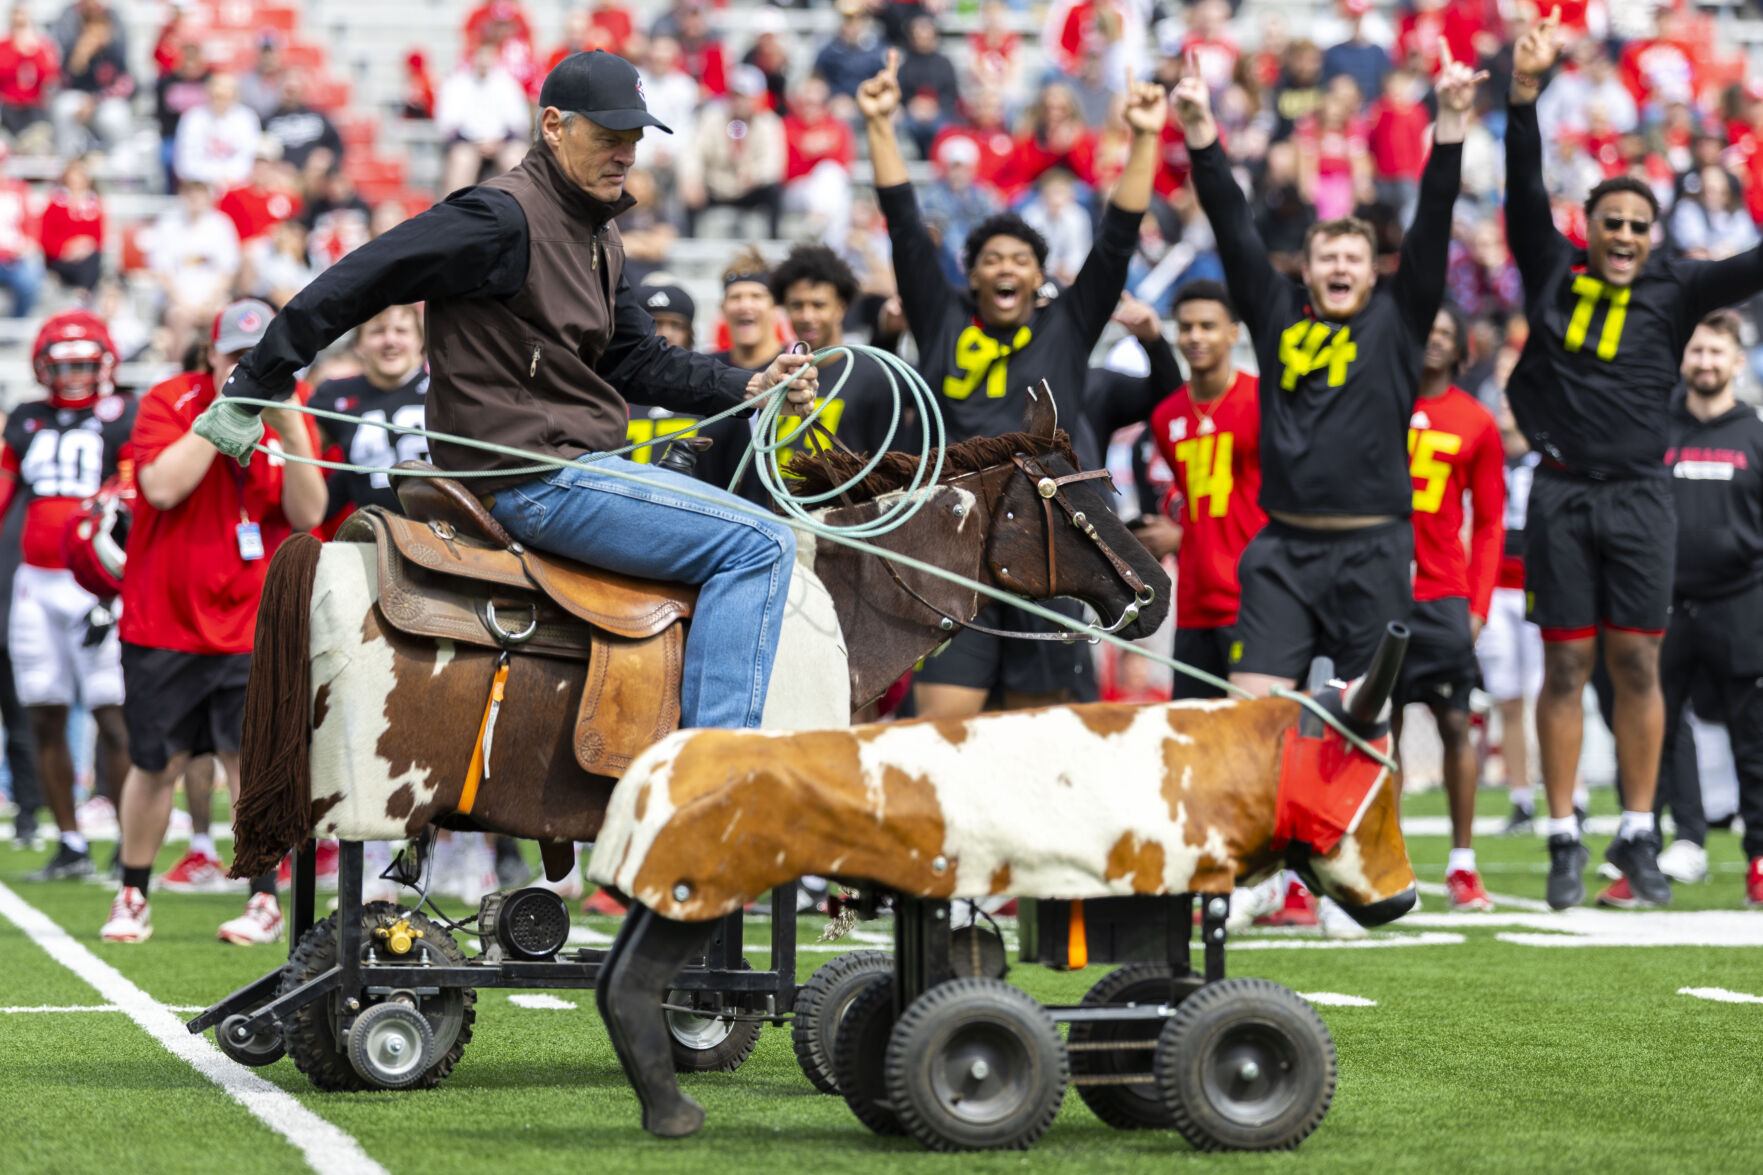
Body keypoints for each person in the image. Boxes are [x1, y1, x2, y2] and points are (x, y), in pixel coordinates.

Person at [195, 51, 817, 750]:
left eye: (635, 138)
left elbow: (634, 359)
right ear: (553, 125)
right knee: (761, 542)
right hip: (530, 479)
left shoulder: (599, 231)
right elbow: (363, 276)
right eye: (610, 135)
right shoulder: (499, 217)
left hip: (567, 467)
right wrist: (258, 378)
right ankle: (711, 775)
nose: (627, 152)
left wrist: (747, 384)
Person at [1502, 10, 1763, 909]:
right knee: (1565, 667)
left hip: (1642, 496)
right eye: (1608, 222)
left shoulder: (1681, 285)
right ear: (1589, 225)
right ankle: (1566, 831)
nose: (1620, 236)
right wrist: (1523, 96)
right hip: (1564, 495)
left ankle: (1639, 829)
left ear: (1653, 235)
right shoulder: (1551, 266)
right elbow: (1519, 190)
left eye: (1635, 226)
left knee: (1637, 667)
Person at [859, 50, 1168, 717]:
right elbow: (906, 229)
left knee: (1037, 742)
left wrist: (1144, 136)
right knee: (939, 739)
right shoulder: (940, 319)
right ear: (972, 278)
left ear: (1038, 276)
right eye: (991, 258)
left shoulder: (1067, 326)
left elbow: (1115, 241)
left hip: (1047, 555)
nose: (1005, 267)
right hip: (953, 550)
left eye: (1019, 260)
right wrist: (880, 123)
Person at [1171, 44, 1476, 691]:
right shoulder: (1277, 316)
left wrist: (1448, 125)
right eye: (1326, 257)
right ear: (1305, 270)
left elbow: (1434, 221)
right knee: (1253, 723)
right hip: (1282, 551)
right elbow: (1230, 224)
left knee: (1365, 731)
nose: (1339, 267)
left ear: (1373, 272)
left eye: (1351, 258)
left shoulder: (1398, 324)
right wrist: (1200, 130)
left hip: (1374, 551)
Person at [100, 301, 328, 945]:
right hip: (164, 620)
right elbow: (161, 487)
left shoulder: (293, 404)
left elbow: (308, 510)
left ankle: (263, 898)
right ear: (211, 354)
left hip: (250, 621)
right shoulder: (171, 399)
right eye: (236, 355)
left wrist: (292, 424)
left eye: (259, 357)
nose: (248, 367)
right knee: (154, 764)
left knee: (247, 765)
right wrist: (217, 418)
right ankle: (132, 892)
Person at [1596, 311, 1763, 908]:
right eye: (1697, 351)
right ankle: (1642, 855)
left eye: (1717, 352)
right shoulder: (1653, 427)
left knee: (1754, 737)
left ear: (1738, 362)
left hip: (1741, 600)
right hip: (1656, 603)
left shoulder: (1755, 433)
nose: (1706, 362)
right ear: (1682, 359)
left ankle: (1760, 862)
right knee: (1647, 736)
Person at [2, 312, 133, 882]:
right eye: (64, 365)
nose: (75, 375)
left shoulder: (122, 415)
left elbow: (136, 485)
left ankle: (134, 844)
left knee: (112, 710)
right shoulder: (26, 418)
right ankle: (71, 842)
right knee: (44, 712)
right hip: (34, 583)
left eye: (84, 363)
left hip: (97, 580)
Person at [1395, 304, 1504, 910]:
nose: (1432, 341)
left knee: (1456, 722)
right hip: (1379, 594)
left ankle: (1463, 864)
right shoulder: (1376, 407)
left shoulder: (1476, 421)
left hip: (1443, 597)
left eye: (1444, 334)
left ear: (1462, 347)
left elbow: (1489, 523)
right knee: (1375, 732)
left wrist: (1478, 607)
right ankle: (1386, 856)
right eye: (1424, 331)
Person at [1144, 281, 1264, 698]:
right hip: (1194, 603)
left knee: (1256, 737)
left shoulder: (1264, 400)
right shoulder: (1165, 416)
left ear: (1233, 332)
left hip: (1256, 603)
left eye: (1208, 326)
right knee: (1195, 737)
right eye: (1187, 326)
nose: (1195, 336)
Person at [1479, 393, 1563, 835]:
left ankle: (1571, 795)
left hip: (1538, 589)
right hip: (1495, 593)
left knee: (1552, 694)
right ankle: (1521, 797)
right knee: (1507, 699)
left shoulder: (1547, 457)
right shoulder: (1485, 454)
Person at [316, 304, 429, 520]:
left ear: (420, 340)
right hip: (374, 535)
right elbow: (299, 451)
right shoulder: (334, 395)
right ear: (359, 344)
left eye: (401, 331)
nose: (390, 340)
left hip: (448, 532)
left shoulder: (443, 389)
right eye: (378, 331)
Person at [173, 72, 262, 190]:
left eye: (226, 94)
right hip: (199, 186)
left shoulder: (247, 118)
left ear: (236, 95)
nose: (221, 98)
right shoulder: (193, 118)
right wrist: (212, 179)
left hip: (236, 185)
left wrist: (228, 179)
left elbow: (248, 158)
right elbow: (185, 162)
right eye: (217, 94)